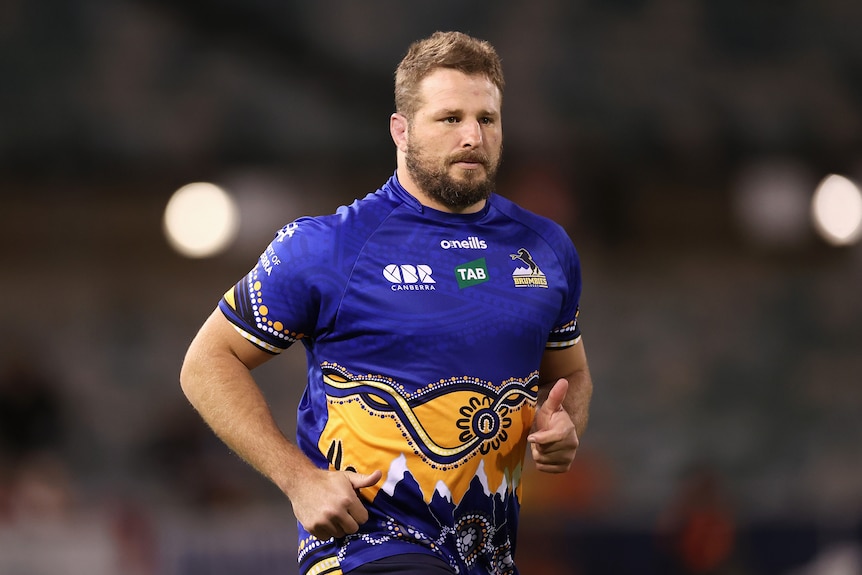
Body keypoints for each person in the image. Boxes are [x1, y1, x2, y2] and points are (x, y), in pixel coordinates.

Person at [180, 30, 593, 575]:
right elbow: (206, 362)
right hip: (363, 549)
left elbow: (572, 377)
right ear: (401, 130)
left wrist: (566, 430)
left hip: (488, 558)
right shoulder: (327, 246)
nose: (472, 136)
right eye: (450, 119)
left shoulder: (546, 248)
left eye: (486, 119)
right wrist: (298, 480)